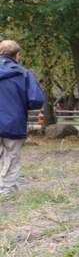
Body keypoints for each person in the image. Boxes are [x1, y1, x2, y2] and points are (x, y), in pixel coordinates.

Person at [0, 40, 45, 197]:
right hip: (14, 123)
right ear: (16, 55)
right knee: (12, 158)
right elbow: (36, 100)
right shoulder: (23, 74)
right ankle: (7, 192)